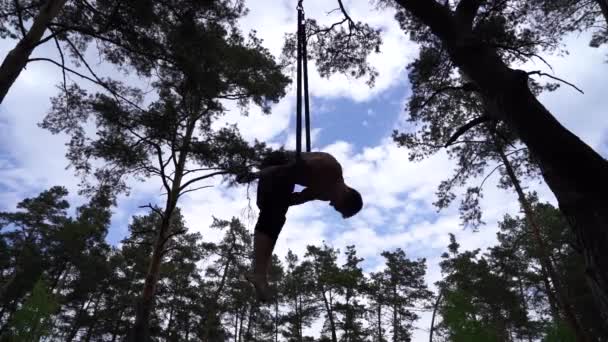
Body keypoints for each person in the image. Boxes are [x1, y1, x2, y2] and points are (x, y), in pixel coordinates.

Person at [240, 150, 363, 302]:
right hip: (279, 163)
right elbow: (285, 170)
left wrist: (281, 203)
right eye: (336, 204)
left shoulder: (325, 194)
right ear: (346, 194)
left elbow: (300, 197)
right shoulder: (330, 167)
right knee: (272, 213)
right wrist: (255, 175)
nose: (331, 203)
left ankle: (260, 274)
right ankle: (259, 274)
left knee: (275, 215)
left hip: (284, 176)